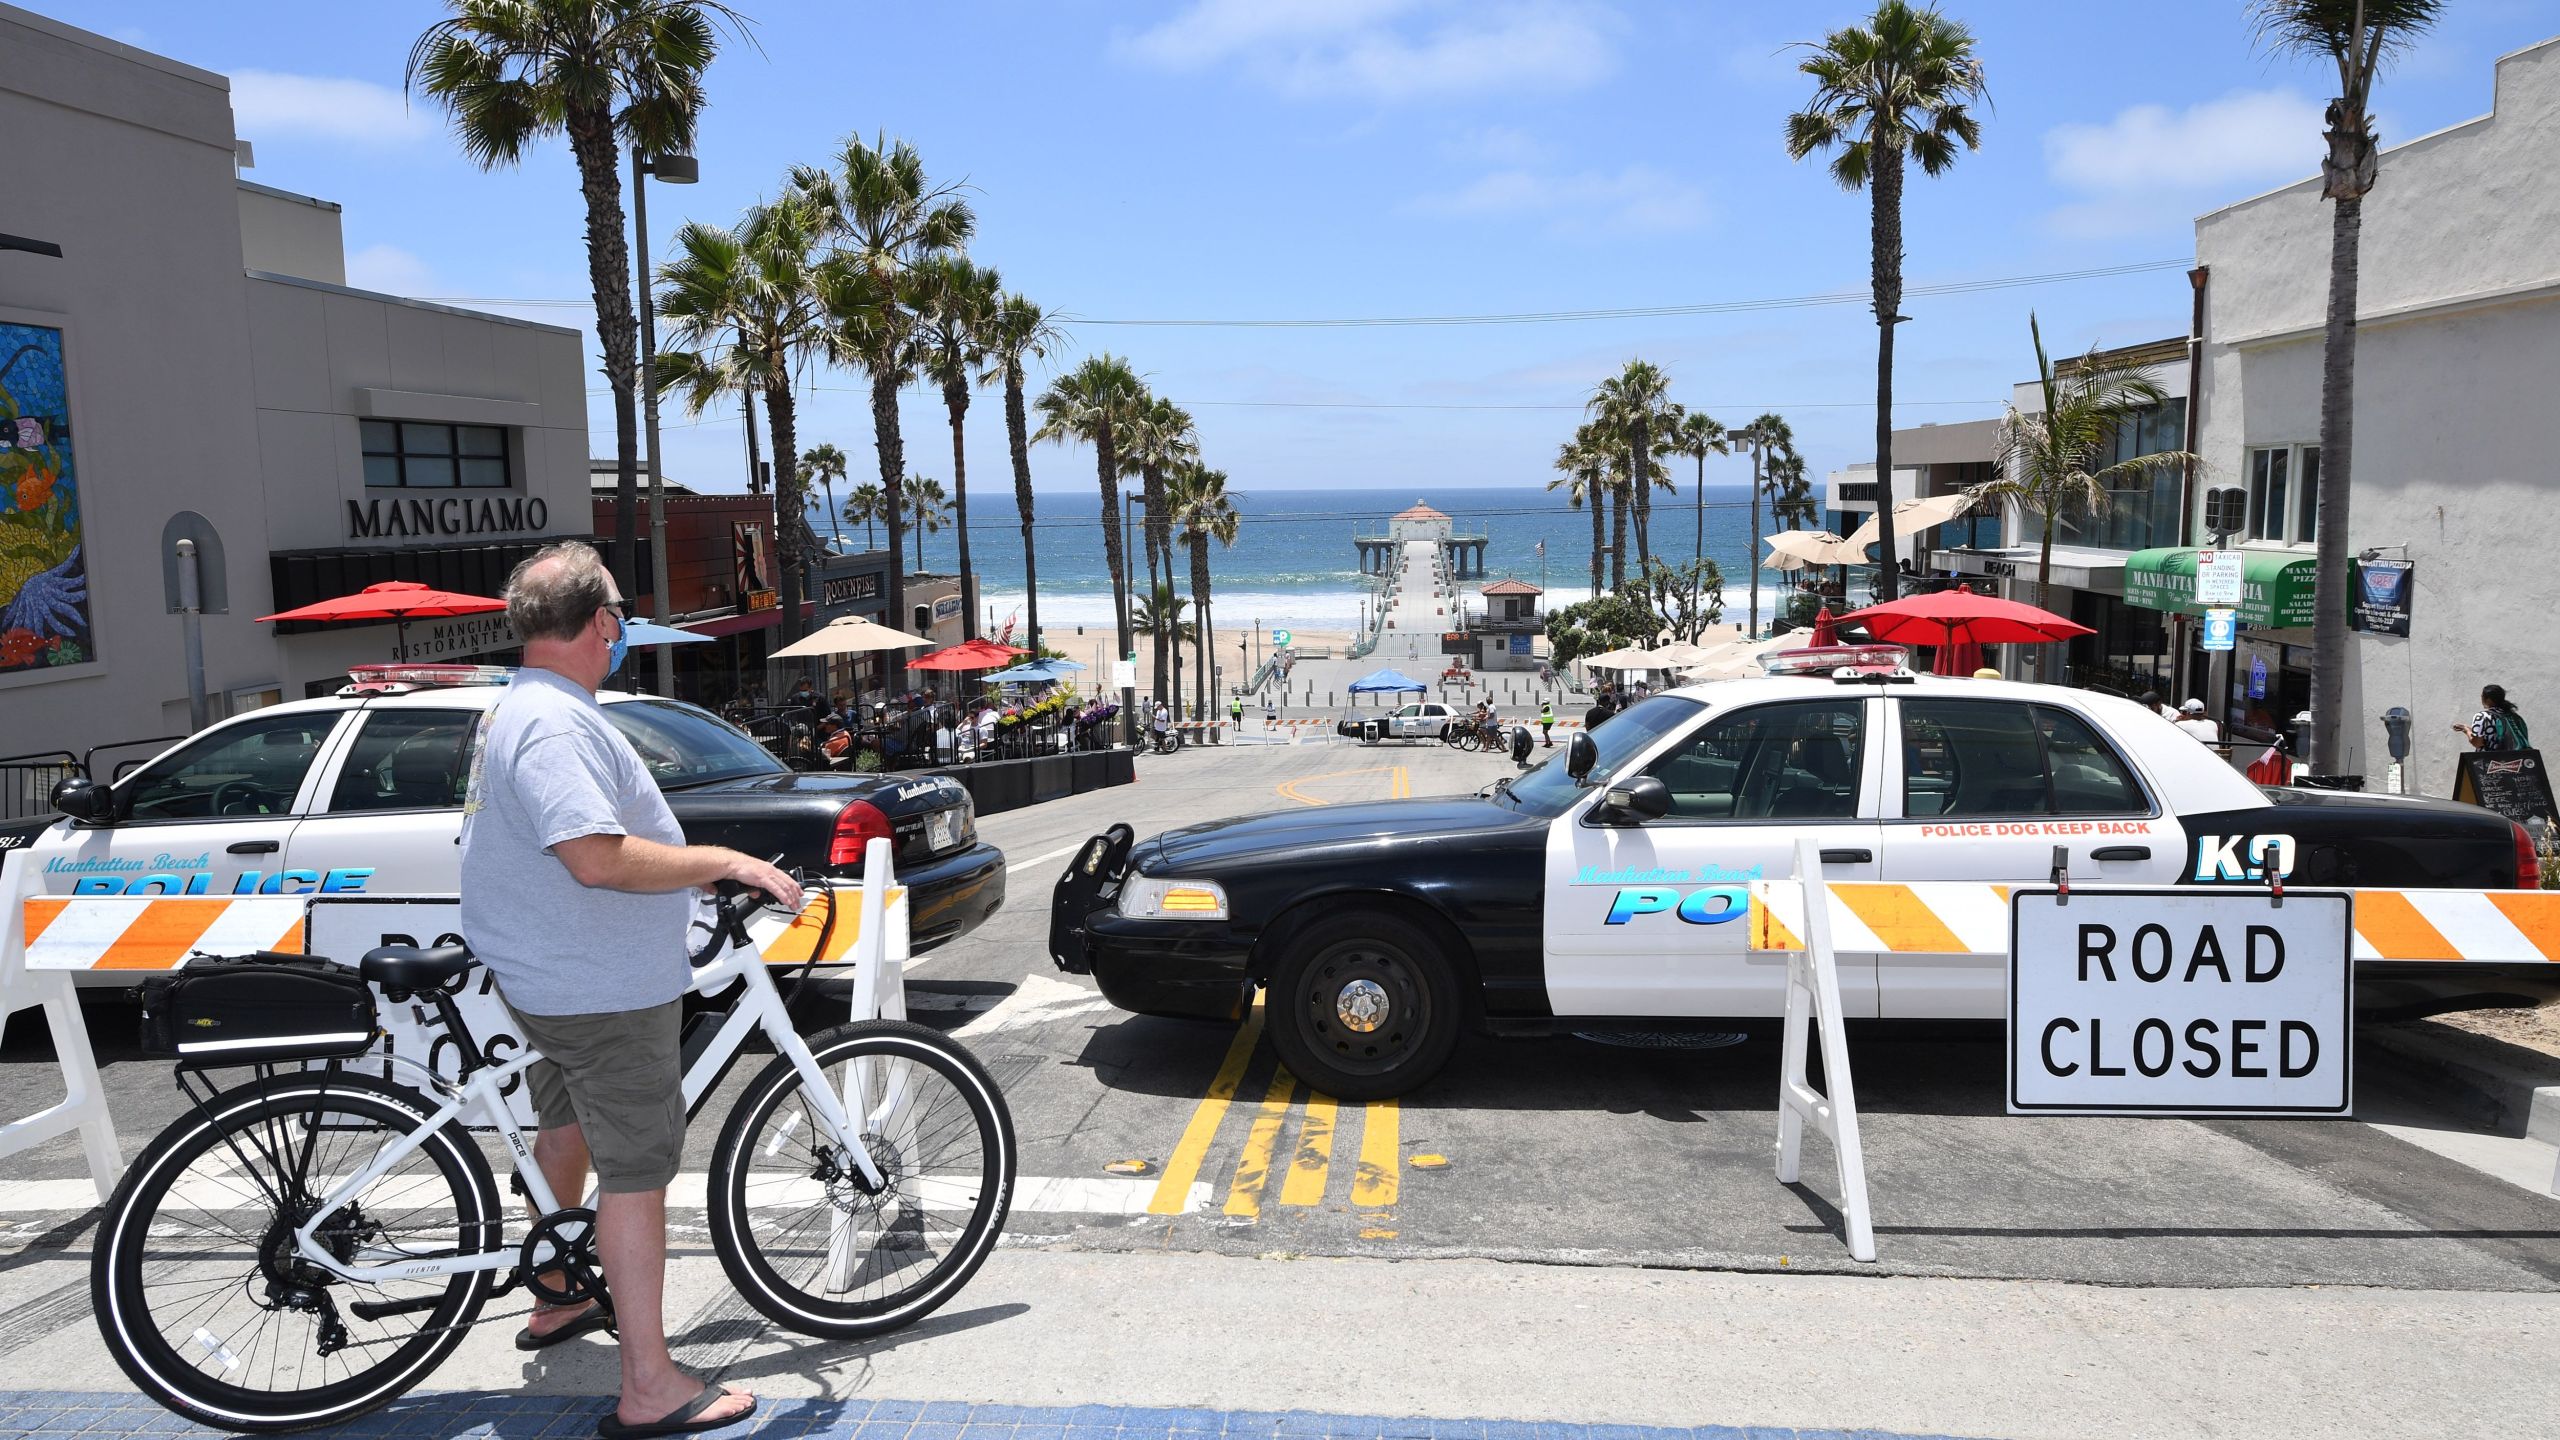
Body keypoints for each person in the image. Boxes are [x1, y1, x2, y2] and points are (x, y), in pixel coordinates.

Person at [459, 542, 796, 1438]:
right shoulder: (558, 724)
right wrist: (723, 860)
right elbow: (595, 856)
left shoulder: (521, 707)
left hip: (551, 980)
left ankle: (559, 1291)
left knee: (562, 1127)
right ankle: (650, 1386)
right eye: (618, 616)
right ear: (603, 626)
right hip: (597, 992)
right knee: (637, 1176)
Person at [2462, 684, 2531, 750]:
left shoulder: (2482, 716)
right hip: (2518, 759)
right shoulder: (2516, 717)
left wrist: (2467, 730)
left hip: (2492, 760)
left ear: (2488, 699)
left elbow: (2477, 743)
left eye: (2482, 696)